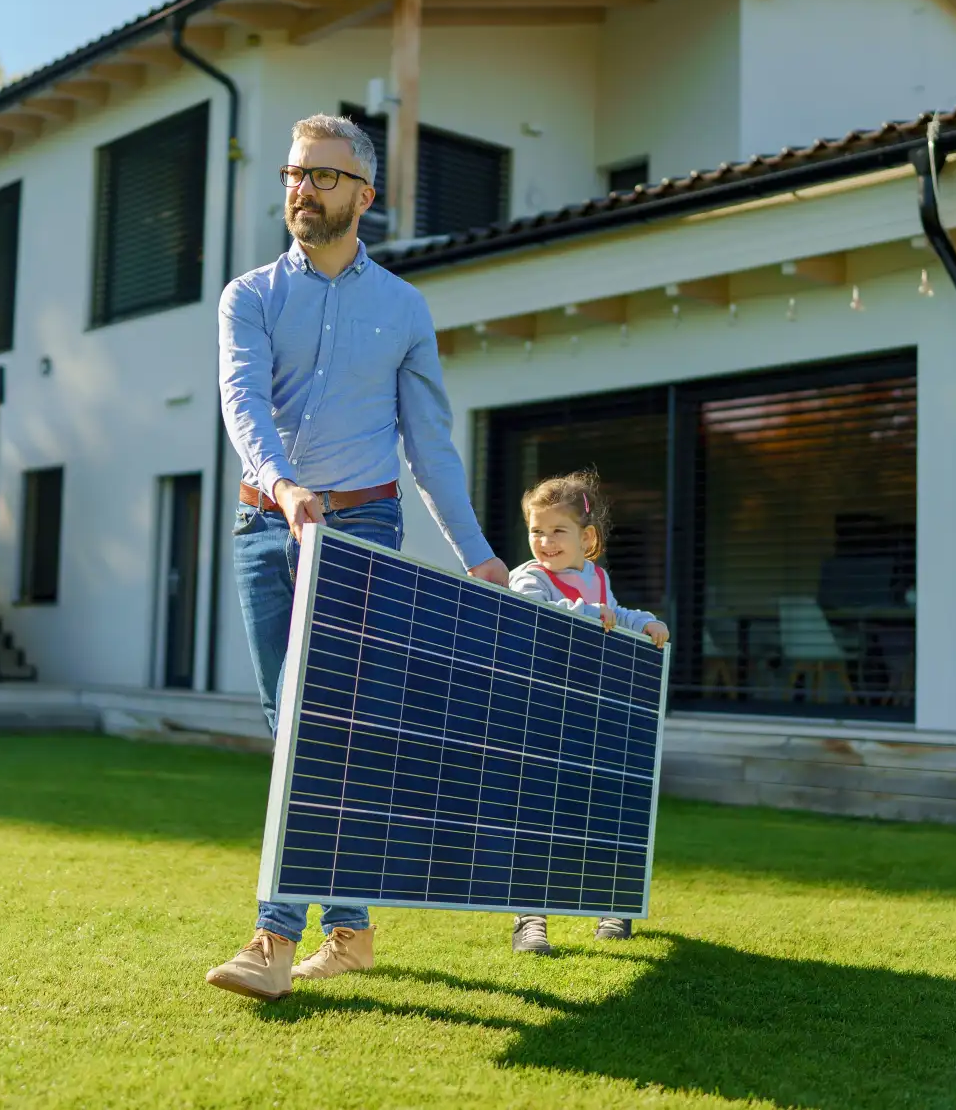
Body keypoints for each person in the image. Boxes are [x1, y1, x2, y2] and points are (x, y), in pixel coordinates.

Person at [205, 112, 510, 1001]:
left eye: (323, 176)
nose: (302, 188)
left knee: (317, 726)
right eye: (295, 173)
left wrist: (479, 555)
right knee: (289, 725)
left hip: (364, 534)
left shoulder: (404, 311)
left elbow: (431, 449)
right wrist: (283, 484)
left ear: (364, 196)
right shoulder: (249, 296)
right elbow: (242, 403)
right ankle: (352, 927)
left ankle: (271, 937)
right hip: (265, 527)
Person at [503, 469, 669, 955]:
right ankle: (530, 916)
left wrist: (647, 623)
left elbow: (616, 615)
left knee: (601, 811)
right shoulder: (530, 577)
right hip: (542, 716)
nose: (545, 541)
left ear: (587, 537)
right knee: (537, 815)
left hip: (590, 717)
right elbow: (536, 616)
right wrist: (582, 614)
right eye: (537, 530)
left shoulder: (598, 578)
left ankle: (611, 905)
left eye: (559, 531)